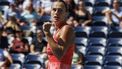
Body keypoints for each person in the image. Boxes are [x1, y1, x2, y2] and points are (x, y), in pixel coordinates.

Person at [43, 0, 75, 69]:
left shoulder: (66, 28)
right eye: (54, 10)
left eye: (60, 10)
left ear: (66, 14)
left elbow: (59, 54)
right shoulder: (57, 30)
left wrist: (47, 33)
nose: (56, 13)